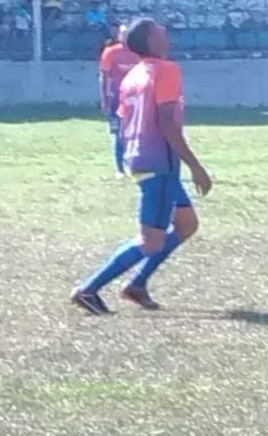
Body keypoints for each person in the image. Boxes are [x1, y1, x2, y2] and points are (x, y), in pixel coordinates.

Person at [72, 18, 212, 314]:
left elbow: (125, 120)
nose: (167, 34)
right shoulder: (166, 70)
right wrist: (196, 166)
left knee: (186, 224)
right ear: (151, 41)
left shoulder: (132, 75)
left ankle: (137, 284)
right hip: (158, 163)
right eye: (160, 31)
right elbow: (165, 123)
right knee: (151, 241)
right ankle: (89, 289)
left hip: (140, 157)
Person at [99, 23, 140, 177]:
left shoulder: (139, 53)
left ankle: (134, 164)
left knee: (135, 132)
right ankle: (120, 169)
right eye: (122, 34)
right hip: (116, 98)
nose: (125, 37)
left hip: (135, 99)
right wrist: (104, 98)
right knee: (118, 133)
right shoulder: (110, 52)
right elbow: (103, 76)